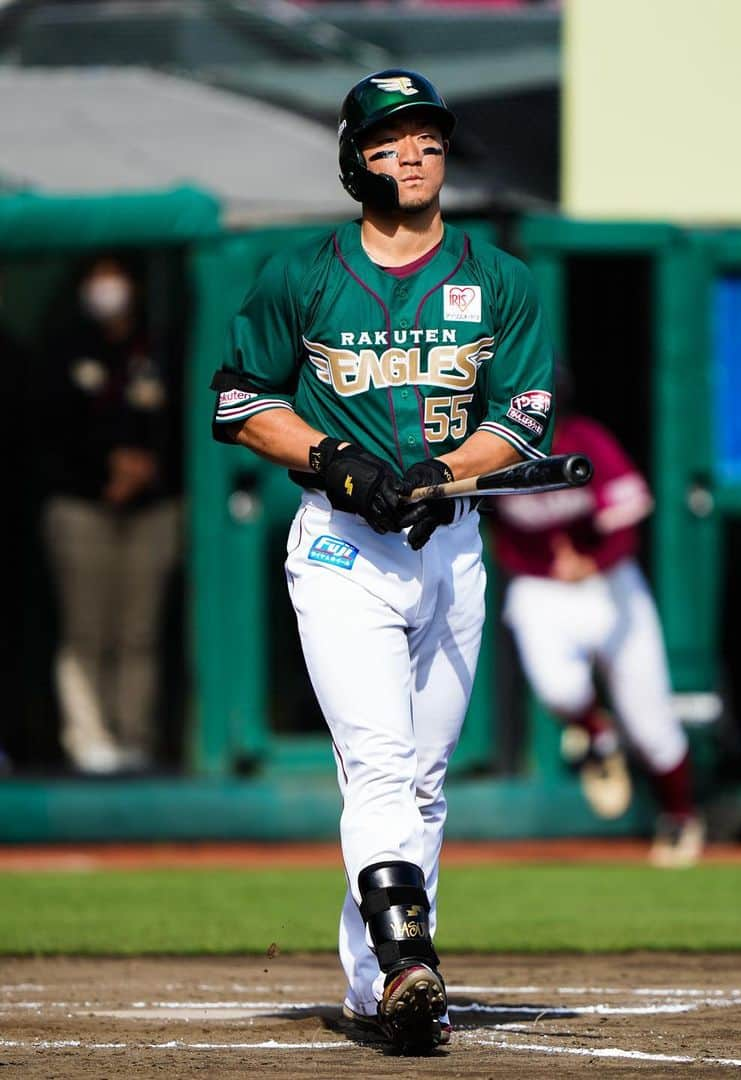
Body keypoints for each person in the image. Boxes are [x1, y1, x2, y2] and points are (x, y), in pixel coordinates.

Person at [210, 69, 554, 1054]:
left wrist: (439, 472)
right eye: (391, 139)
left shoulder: (500, 280)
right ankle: (411, 951)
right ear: (356, 158)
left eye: (428, 137)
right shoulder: (302, 274)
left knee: (427, 777)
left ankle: (377, 990)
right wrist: (334, 459)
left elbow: (522, 421)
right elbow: (241, 401)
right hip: (340, 546)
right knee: (380, 764)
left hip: (451, 546)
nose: (413, 152)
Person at [488, 376, 705, 869]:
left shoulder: (586, 440)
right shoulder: (491, 443)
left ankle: (680, 816)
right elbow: (489, 524)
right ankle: (599, 734)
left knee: (651, 726)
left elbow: (630, 514)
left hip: (608, 583)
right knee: (559, 689)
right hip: (541, 587)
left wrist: (592, 559)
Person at [35, 254, 183, 775]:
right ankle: (88, 739)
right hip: (81, 505)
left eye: (115, 275)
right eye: (96, 276)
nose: (107, 287)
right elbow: (44, 430)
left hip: (152, 508)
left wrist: (146, 469)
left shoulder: (160, 345)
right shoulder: (62, 348)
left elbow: (186, 425)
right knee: (86, 631)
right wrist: (105, 469)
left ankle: (133, 738)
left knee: (138, 631)